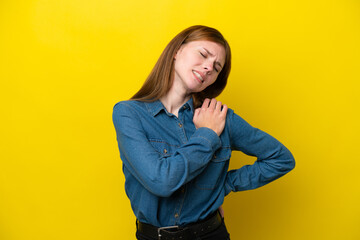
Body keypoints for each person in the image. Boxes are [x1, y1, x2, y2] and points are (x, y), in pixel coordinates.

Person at [112, 25, 295, 240]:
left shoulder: (221, 117)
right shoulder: (129, 113)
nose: (208, 67)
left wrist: (222, 186)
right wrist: (207, 134)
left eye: (217, 67)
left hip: (211, 234)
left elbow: (281, 159)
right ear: (177, 51)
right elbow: (161, 181)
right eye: (203, 54)